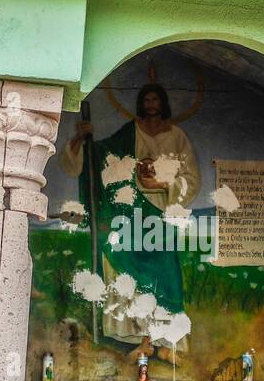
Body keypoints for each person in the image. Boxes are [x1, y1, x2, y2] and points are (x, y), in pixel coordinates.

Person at [60, 83, 200, 360]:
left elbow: (192, 179)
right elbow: (100, 156)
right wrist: (81, 139)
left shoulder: (177, 136)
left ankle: (167, 343)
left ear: (162, 103)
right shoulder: (130, 132)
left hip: (161, 212)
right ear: (140, 103)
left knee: (167, 277)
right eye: (146, 99)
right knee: (135, 277)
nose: (150, 104)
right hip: (129, 215)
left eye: (155, 98)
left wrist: (164, 183)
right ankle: (145, 341)